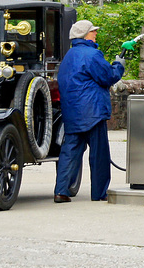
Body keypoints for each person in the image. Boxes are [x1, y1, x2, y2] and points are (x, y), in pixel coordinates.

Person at [54, 20, 125, 203]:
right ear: (85, 35)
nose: (95, 34)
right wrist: (119, 64)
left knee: (70, 152)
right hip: (93, 111)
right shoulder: (92, 54)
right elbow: (108, 77)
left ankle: (61, 191)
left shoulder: (69, 55)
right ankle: (99, 193)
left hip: (72, 111)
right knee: (99, 154)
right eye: (93, 31)